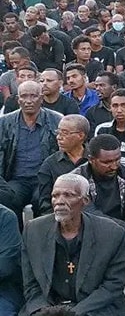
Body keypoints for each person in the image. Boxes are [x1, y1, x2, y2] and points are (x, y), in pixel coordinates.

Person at [8, 174, 125, 316]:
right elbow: (30, 285)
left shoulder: (111, 233)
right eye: (55, 196)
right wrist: (49, 313)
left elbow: (113, 286)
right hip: (47, 307)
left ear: (85, 201)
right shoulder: (34, 230)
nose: (59, 202)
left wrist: (74, 313)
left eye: (68, 195)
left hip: (92, 308)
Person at [0, 80, 62, 218]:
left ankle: (40, 238)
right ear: (18, 99)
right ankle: (16, 238)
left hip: (44, 179)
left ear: (41, 98)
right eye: (24, 96)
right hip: (16, 180)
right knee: (6, 198)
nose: (28, 101)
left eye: (33, 96)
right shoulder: (4, 123)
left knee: (42, 200)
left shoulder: (57, 120)